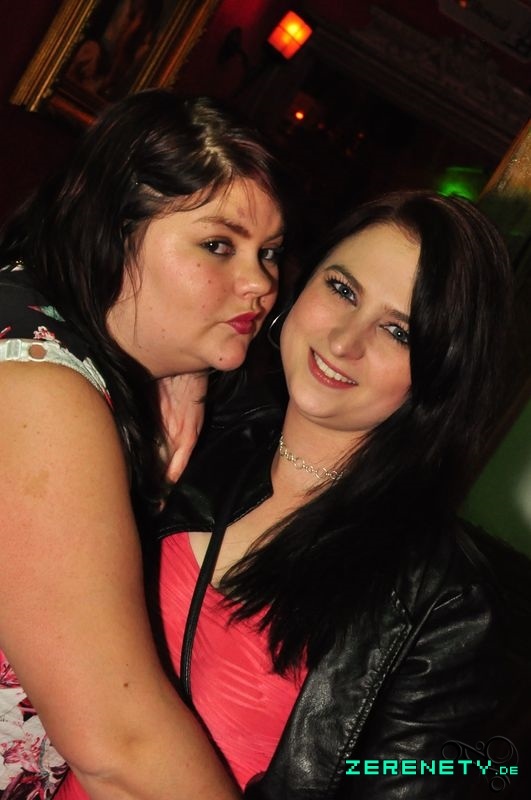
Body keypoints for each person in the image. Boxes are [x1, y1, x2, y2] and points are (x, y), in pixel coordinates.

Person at [142, 190, 529, 798]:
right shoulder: (202, 429)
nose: (346, 341)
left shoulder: (445, 607)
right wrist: (180, 369)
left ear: (441, 377)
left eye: (398, 331)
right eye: (343, 290)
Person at [0, 88, 285, 799]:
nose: (259, 282)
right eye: (218, 245)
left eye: (269, 253)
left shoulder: (38, 322)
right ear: (111, 227)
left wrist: (182, 371)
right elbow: (119, 744)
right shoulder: (40, 387)